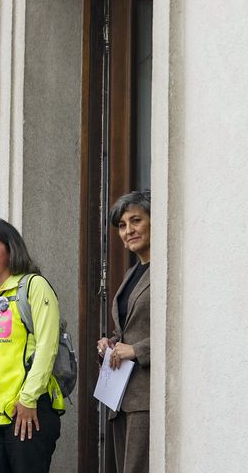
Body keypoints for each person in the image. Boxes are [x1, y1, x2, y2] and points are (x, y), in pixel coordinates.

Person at [0, 218, 63, 473]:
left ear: (10, 249)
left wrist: (28, 399)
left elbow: (47, 347)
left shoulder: (33, 286)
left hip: (26, 409)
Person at [96, 190, 151, 473]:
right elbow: (129, 327)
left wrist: (136, 350)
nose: (128, 230)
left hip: (146, 395)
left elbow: (180, 331)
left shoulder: (165, 271)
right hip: (121, 395)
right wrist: (111, 343)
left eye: (136, 220)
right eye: (121, 225)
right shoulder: (132, 273)